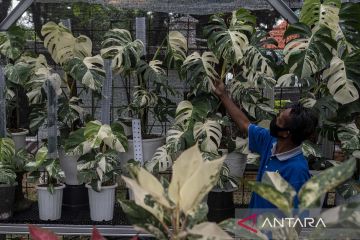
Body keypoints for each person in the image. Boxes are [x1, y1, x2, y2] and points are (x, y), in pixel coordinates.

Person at [213, 80, 318, 208]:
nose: (275, 119)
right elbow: (245, 125)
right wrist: (222, 94)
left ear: (285, 133)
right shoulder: (271, 141)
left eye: (279, 120)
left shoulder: (297, 171)